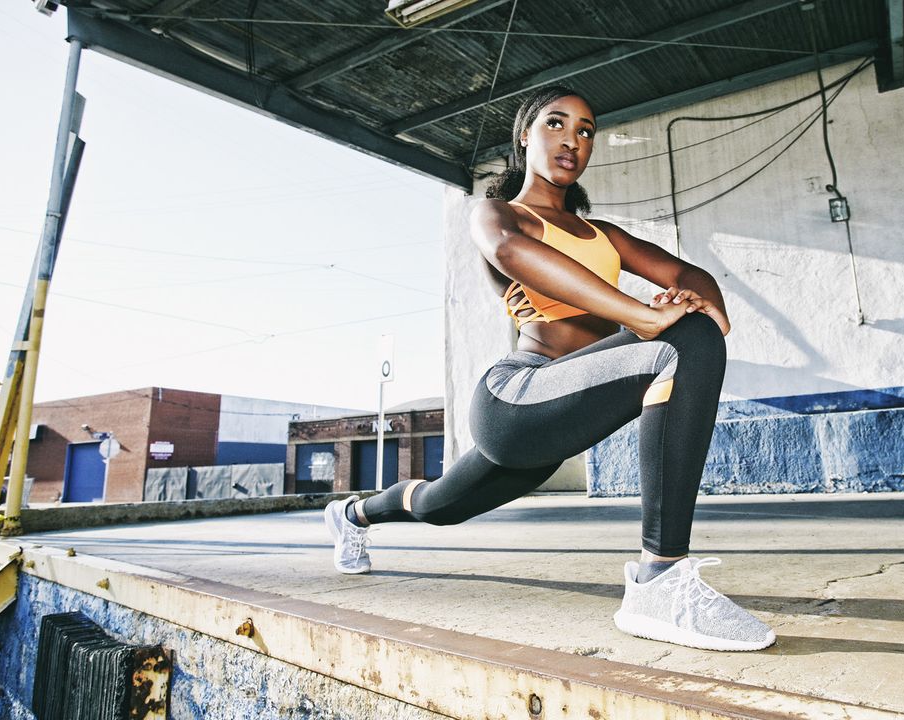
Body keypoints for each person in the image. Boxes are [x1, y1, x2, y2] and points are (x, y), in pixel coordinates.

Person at [324, 85, 775, 652]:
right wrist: (642, 314)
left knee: (441, 505)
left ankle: (352, 513)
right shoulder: (498, 214)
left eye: (586, 131)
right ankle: (660, 580)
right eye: (556, 124)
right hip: (517, 397)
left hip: (561, 417)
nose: (573, 139)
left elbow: (694, 279)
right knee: (684, 341)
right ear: (525, 137)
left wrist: (692, 304)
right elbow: (511, 251)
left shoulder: (606, 236)